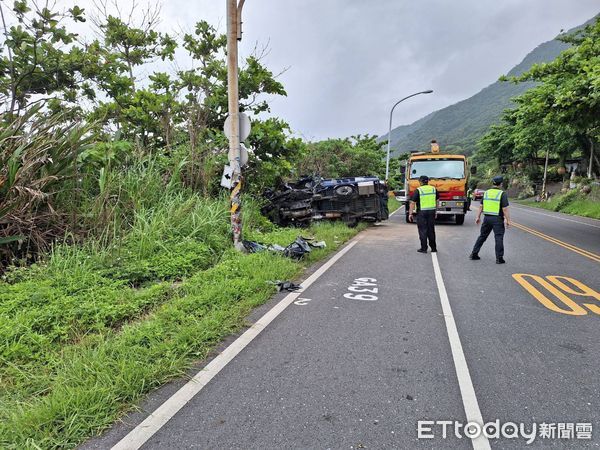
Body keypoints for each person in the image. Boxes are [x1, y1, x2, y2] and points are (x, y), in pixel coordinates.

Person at [469, 176, 511, 264]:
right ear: (501, 184)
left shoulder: (486, 193)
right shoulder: (502, 194)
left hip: (487, 218)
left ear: (493, 183)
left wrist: (478, 217)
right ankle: (499, 258)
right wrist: (508, 220)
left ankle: (474, 254)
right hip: (497, 219)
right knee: (498, 238)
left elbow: (481, 206)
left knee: (482, 236)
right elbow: (505, 209)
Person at [409, 175, 439, 253]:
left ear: (420, 181)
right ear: (427, 181)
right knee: (431, 230)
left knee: (423, 230)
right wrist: (436, 211)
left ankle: (424, 248)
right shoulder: (433, 189)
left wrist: (410, 214)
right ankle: (433, 248)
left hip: (422, 212)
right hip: (431, 211)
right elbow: (437, 200)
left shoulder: (418, 190)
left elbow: (412, 203)